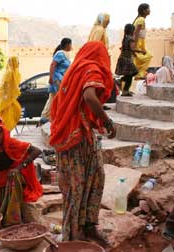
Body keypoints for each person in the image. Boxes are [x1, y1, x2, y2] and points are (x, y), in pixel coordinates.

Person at [49, 41, 116, 241]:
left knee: (96, 177)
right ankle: (71, 236)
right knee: (75, 188)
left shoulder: (76, 69)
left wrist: (96, 123)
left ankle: (88, 225)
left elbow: (78, 104)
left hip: (82, 134)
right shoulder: (90, 68)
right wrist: (108, 121)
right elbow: (89, 97)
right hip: (74, 138)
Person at [39, 38, 72, 124]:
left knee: (57, 100)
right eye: (70, 44)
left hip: (61, 80)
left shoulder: (65, 55)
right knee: (54, 99)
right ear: (67, 45)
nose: (71, 46)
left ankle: (52, 118)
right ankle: (44, 118)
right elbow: (53, 65)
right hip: (56, 80)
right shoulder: (60, 54)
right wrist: (51, 78)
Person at [0, 56, 22, 130]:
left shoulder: (14, 72)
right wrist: (6, 97)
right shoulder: (9, 73)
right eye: (17, 61)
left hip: (9, 98)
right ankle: (5, 134)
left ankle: (7, 134)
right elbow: (4, 85)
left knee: (16, 110)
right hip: (5, 99)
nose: (18, 63)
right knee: (6, 118)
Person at [115, 24, 140, 96]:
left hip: (122, 59)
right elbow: (132, 49)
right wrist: (142, 52)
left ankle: (125, 90)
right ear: (131, 30)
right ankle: (120, 81)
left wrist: (134, 54)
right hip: (126, 59)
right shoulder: (130, 38)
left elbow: (125, 49)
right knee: (134, 72)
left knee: (129, 75)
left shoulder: (125, 38)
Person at [133, 3, 153, 80]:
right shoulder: (141, 20)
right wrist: (134, 46)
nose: (150, 10)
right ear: (144, 11)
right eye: (148, 8)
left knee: (141, 59)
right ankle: (139, 74)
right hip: (138, 44)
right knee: (148, 56)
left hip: (140, 44)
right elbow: (136, 33)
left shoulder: (139, 19)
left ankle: (139, 73)